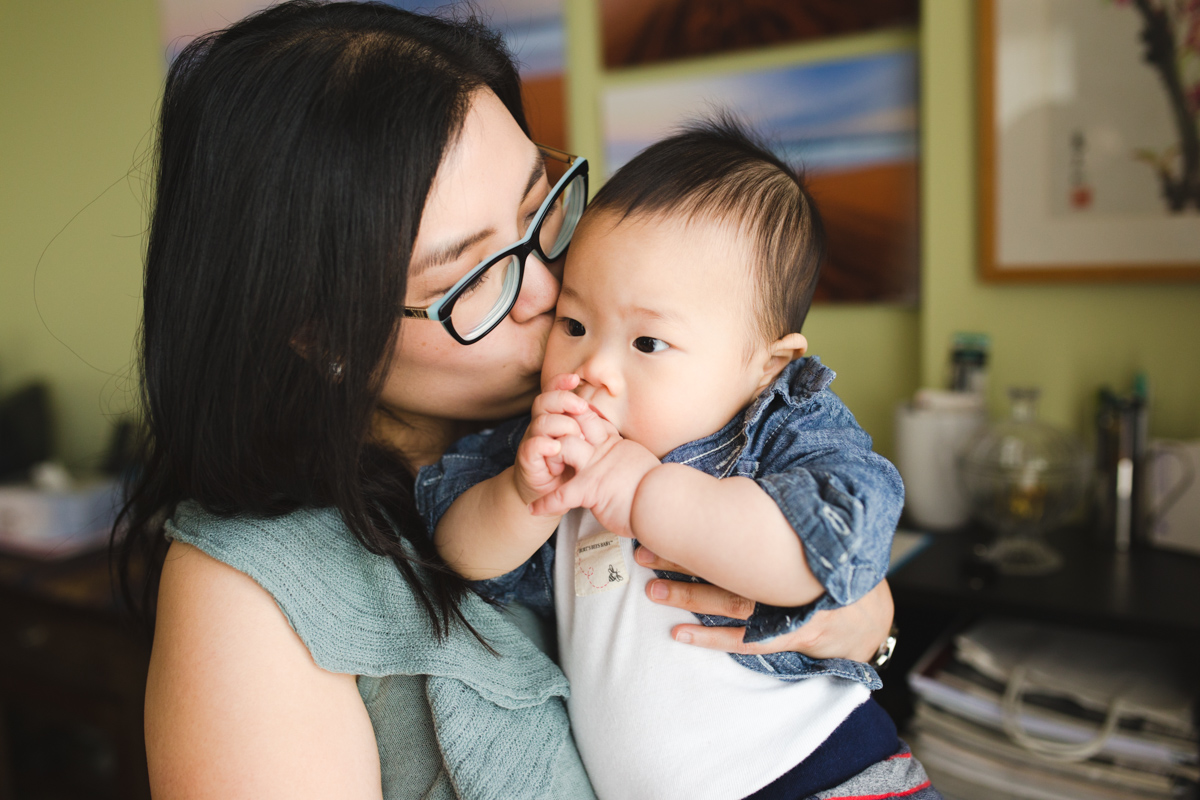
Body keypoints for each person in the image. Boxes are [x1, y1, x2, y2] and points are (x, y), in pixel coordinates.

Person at [117, 2, 898, 798]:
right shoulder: (246, 595)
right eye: (471, 273)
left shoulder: (612, 427)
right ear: (322, 336)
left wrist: (863, 624)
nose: (552, 289)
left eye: (538, 213)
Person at [419, 121, 938, 800]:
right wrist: (522, 495)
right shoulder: (554, 454)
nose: (594, 368)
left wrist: (645, 497)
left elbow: (822, 552)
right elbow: (461, 552)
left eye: (649, 343)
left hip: (826, 775)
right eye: (574, 326)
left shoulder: (777, 428)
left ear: (765, 366)